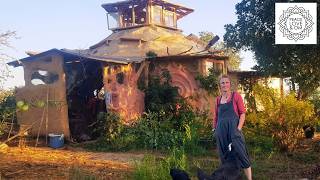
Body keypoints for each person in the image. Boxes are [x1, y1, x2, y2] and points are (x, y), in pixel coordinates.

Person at [213, 75, 252, 180]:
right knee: (224, 156)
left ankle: (249, 179)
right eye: (222, 83)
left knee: (241, 153)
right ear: (220, 85)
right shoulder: (217, 100)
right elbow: (216, 116)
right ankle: (229, 177)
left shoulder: (236, 96)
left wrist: (238, 129)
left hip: (234, 131)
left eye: (226, 82)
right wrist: (215, 129)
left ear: (230, 84)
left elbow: (242, 114)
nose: (225, 84)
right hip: (221, 133)